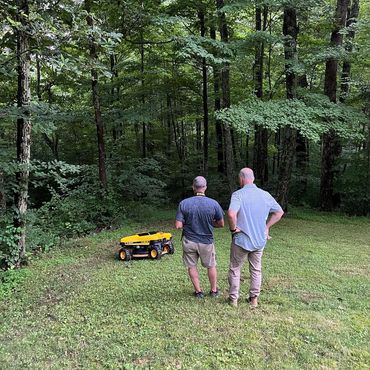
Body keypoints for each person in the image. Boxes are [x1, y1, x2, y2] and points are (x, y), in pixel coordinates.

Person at [227, 168, 284, 308]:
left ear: (241, 178)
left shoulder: (238, 195)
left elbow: (231, 214)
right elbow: (279, 212)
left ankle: (233, 300)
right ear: (253, 178)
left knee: (235, 268)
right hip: (259, 240)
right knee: (256, 269)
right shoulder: (265, 195)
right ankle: (254, 300)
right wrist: (266, 227)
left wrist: (234, 229)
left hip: (241, 240)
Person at [175, 176, 224, 298]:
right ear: (205, 188)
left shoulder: (184, 203)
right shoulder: (214, 203)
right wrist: (210, 223)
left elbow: (178, 225)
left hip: (189, 241)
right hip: (206, 241)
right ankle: (213, 291)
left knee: (192, 266)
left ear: (193, 187)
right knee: (211, 265)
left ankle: (198, 292)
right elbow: (221, 223)